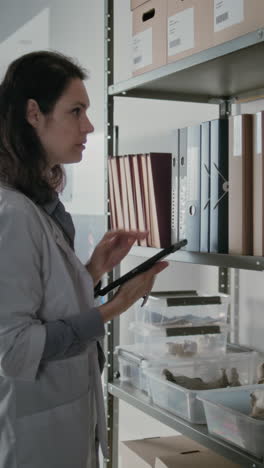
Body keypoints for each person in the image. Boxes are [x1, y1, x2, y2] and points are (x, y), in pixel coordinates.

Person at [0, 50, 168, 468]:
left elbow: (45, 299)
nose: (89, 125)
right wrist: (117, 305)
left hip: (63, 421)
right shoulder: (12, 213)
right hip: (34, 438)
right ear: (34, 113)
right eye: (76, 111)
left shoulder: (40, 206)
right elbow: (13, 346)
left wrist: (94, 269)